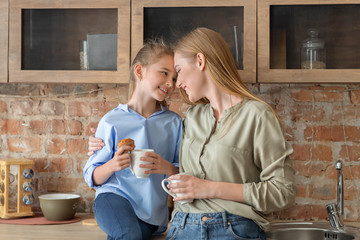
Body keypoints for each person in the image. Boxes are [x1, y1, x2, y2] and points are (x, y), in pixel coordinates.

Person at [89, 28, 296, 240]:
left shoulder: (257, 116)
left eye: (178, 71)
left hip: (233, 228)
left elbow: (283, 192)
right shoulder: (192, 118)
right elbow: (161, 150)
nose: (175, 84)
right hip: (181, 227)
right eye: (168, 74)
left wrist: (209, 189)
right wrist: (101, 144)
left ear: (200, 61)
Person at [83, 40, 182, 240]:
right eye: (163, 73)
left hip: (150, 213)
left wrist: (167, 167)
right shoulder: (111, 120)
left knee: (129, 235)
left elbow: (184, 173)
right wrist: (112, 165)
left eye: (174, 77)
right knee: (128, 234)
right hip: (113, 198)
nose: (170, 83)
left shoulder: (174, 123)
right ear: (139, 71)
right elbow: (92, 177)